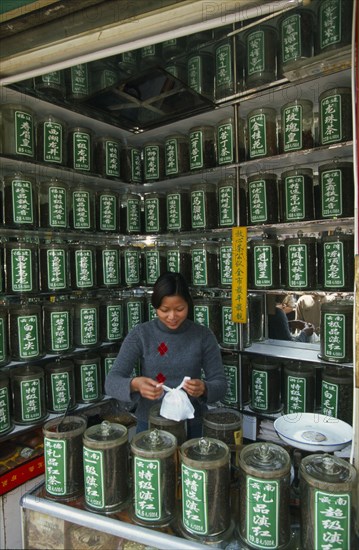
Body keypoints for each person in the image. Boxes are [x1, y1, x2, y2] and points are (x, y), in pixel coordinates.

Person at [104, 272, 227, 438]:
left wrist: (205, 388)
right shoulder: (141, 334)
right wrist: (135, 384)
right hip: (149, 424)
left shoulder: (203, 336)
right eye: (164, 310)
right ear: (155, 306)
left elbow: (220, 385)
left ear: (188, 305)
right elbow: (111, 382)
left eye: (179, 309)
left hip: (191, 424)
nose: (172, 317)